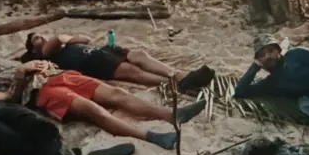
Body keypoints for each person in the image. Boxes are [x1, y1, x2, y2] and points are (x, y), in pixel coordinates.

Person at [0, 55, 207, 150]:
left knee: (117, 94)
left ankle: (172, 115)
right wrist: (21, 74)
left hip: (61, 75)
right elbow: (10, 97)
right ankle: (154, 137)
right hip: (43, 93)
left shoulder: (7, 61)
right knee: (94, 110)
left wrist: (40, 63)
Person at [24, 32, 215, 91]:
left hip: (99, 51)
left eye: (40, 34)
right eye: (36, 38)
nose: (41, 37)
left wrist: (67, 40)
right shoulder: (45, 55)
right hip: (89, 62)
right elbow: (57, 38)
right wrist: (63, 38)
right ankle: (176, 84)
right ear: (33, 49)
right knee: (133, 72)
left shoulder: (61, 45)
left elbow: (86, 39)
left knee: (139, 55)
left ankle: (181, 75)